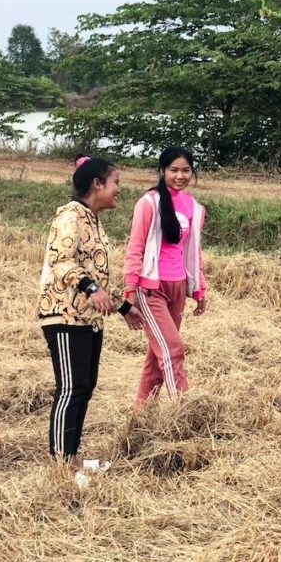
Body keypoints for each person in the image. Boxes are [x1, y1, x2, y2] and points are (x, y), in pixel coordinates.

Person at [37, 155, 142, 476]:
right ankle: (60, 465)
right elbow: (61, 261)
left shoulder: (91, 219)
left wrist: (123, 307)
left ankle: (72, 458)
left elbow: (93, 275)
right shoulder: (70, 216)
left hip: (87, 318)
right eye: (116, 182)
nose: (119, 190)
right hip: (64, 315)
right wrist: (91, 287)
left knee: (84, 386)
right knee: (70, 387)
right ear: (97, 184)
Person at [123, 146, 207, 409]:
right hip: (151, 289)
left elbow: (193, 250)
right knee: (172, 350)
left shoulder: (193, 205)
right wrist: (130, 290)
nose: (180, 176)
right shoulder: (149, 203)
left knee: (156, 355)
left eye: (185, 170)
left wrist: (199, 289)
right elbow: (135, 247)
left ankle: (141, 413)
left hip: (178, 286)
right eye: (173, 170)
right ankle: (183, 411)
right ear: (162, 171)